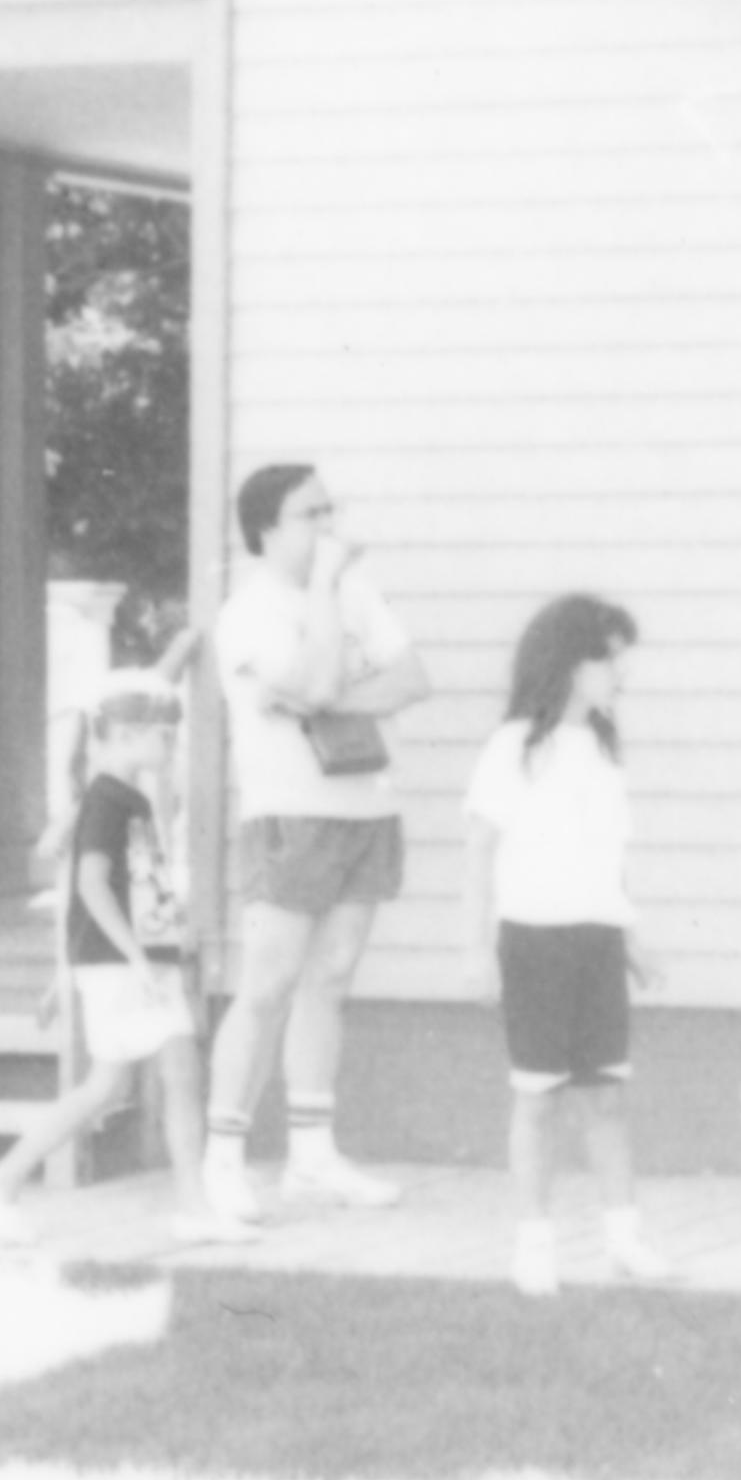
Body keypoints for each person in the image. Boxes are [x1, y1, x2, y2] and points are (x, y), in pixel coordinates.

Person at [204, 462, 428, 1223]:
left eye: (331, 509)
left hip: (365, 807)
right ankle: (224, 1158)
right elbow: (321, 678)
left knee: (331, 978)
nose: (328, 525)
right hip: (291, 814)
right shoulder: (249, 611)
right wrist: (327, 646)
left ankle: (312, 1156)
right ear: (268, 526)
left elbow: (409, 680)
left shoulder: (358, 594)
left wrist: (321, 699)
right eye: (310, 513)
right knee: (267, 984)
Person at [0, 671, 252, 1250]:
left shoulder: (120, 798)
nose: (171, 745)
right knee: (178, 1072)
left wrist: (69, 972)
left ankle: (1, 1180)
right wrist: (137, 959)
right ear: (123, 734)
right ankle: (193, 1206)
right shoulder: (106, 802)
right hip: (129, 966)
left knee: (107, 1086)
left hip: (125, 964)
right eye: (163, 735)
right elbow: (91, 887)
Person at [460, 593, 673, 1298]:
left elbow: (607, 860)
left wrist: (632, 937)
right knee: (539, 1100)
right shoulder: (515, 746)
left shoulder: (605, 751)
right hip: (534, 943)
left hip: (598, 940)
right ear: (567, 662)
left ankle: (624, 1236)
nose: (622, 675)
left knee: (606, 1096)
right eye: (610, 660)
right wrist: (474, 947)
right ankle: (534, 1243)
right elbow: (479, 852)